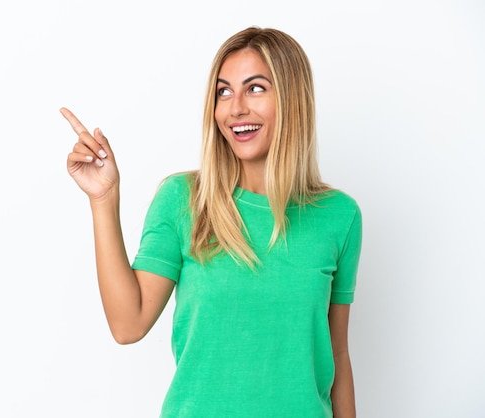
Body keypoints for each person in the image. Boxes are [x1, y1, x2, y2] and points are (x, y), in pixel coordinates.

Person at [61, 26, 362, 418]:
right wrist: (103, 200)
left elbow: (337, 351)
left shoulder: (339, 216)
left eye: (255, 88)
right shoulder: (183, 200)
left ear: (292, 100)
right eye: (223, 92)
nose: (235, 108)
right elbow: (127, 324)